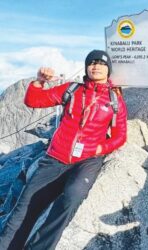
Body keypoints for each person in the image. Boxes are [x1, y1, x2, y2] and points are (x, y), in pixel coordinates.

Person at [0, 49, 127, 250]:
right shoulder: (72, 90)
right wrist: (39, 82)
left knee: (72, 196)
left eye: (101, 63)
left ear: (108, 69)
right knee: (25, 206)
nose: (96, 66)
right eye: (92, 62)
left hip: (87, 160)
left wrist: (102, 147)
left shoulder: (114, 100)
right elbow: (34, 100)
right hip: (56, 157)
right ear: (87, 67)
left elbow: (120, 135)